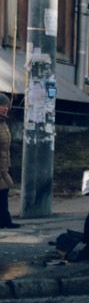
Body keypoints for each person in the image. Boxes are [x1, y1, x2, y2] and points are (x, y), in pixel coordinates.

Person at [0, 93, 19, 229]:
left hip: (3, 166)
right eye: (2, 106)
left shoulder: (3, 123)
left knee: (3, 192)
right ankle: (4, 221)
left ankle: (5, 221)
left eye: (6, 106)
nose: (5, 108)